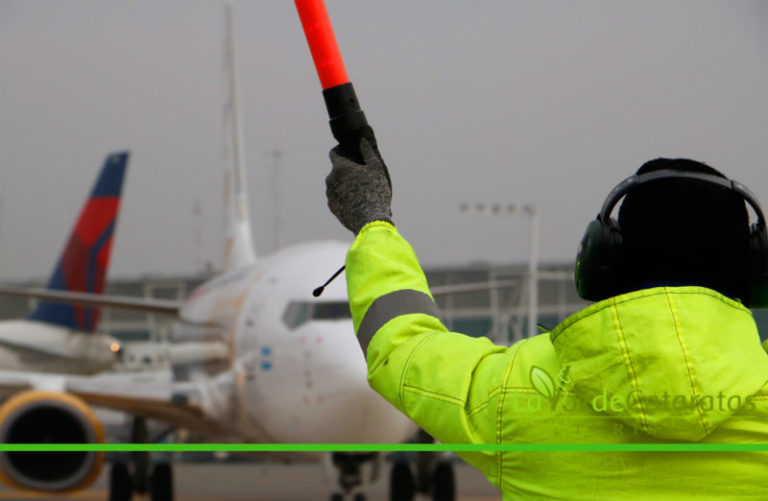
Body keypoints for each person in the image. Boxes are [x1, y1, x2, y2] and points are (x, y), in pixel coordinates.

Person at [324, 126, 768, 500]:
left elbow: (402, 346)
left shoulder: (511, 395)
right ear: (754, 270)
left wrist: (373, 220)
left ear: (600, 262)